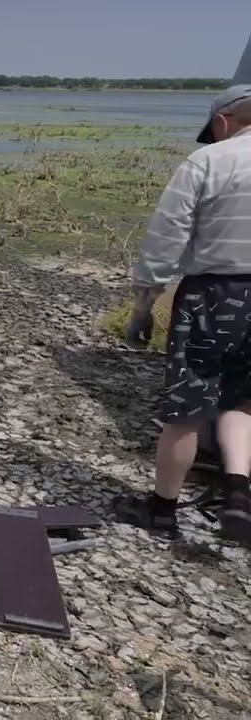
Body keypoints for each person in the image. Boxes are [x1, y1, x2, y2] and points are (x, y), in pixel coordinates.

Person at [116, 84, 251, 546]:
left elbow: (164, 240)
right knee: (242, 402)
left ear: (222, 122)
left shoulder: (208, 161)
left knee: (186, 410)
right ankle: (237, 496)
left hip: (213, 294)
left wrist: (142, 309)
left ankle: (162, 511)